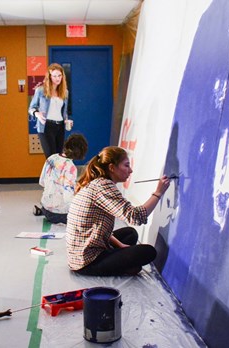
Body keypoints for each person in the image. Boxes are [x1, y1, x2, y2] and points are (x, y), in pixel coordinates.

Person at [66, 146, 171, 276]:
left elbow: (96, 229)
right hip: (86, 262)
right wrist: (158, 193)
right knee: (149, 252)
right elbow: (135, 217)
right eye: (126, 165)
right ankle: (116, 265)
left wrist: (121, 245)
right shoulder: (103, 186)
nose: (130, 170)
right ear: (112, 168)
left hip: (80, 253)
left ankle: (120, 263)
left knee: (130, 233)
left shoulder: (97, 183)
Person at [34, 134, 88, 224]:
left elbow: (42, 182)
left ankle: (41, 211)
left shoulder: (51, 158)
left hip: (46, 208)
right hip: (59, 214)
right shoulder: (71, 168)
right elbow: (68, 198)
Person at [28, 63, 69, 158]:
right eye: (54, 76)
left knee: (60, 157)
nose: (57, 78)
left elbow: (64, 111)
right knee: (51, 157)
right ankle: (50, 173)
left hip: (60, 126)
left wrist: (66, 120)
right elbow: (31, 108)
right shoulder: (40, 91)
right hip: (46, 126)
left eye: (59, 75)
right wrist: (37, 114)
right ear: (49, 77)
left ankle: (57, 173)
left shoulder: (65, 92)